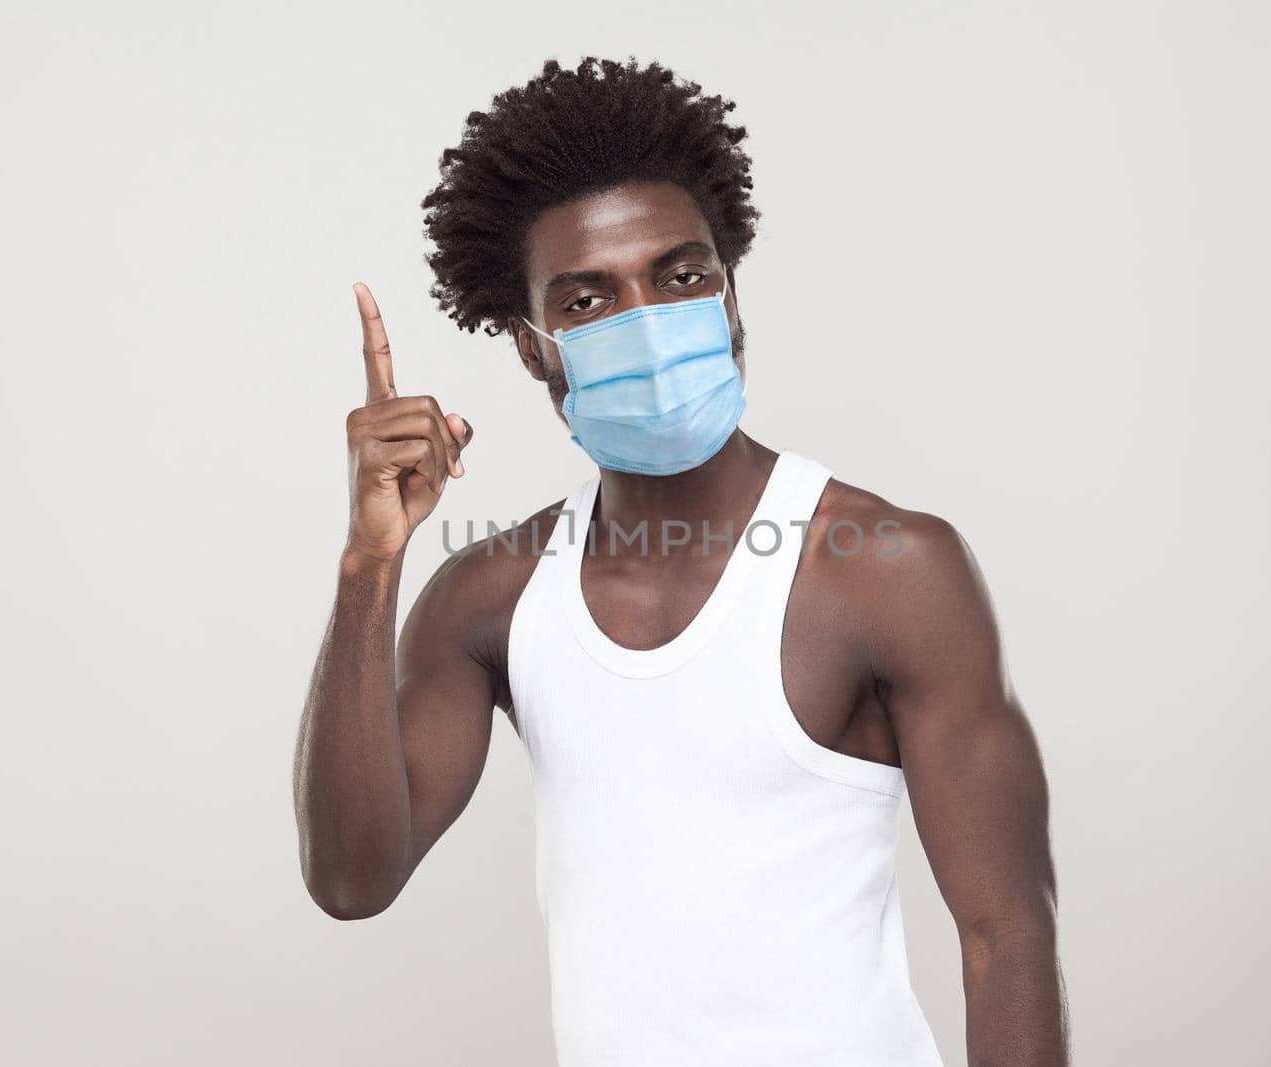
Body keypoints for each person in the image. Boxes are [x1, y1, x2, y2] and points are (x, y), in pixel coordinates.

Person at [293, 57, 1068, 1067]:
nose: (648, 323)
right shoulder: (490, 596)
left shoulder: (887, 569)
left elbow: (1006, 933)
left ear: (730, 285)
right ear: (531, 348)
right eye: (585, 301)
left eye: (680, 274)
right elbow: (353, 879)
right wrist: (369, 565)